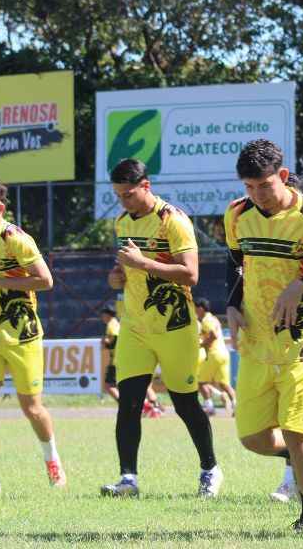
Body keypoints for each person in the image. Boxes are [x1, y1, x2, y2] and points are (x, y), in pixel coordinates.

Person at [225, 139, 303, 533]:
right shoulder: (237, 214)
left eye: (263, 185)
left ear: (281, 176)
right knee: (253, 438)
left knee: (298, 430)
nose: (256, 195)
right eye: (249, 187)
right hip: (257, 343)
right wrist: (231, 304)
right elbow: (235, 266)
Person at [100, 158, 221, 498]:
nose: (123, 201)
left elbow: (191, 274)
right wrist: (118, 275)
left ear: (146, 186)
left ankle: (210, 468)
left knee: (185, 404)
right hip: (135, 327)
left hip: (175, 326)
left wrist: (143, 263)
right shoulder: (122, 222)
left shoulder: (173, 221)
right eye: (119, 195)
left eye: (129, 194)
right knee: (129, 403)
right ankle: (128, 480)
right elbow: (124, 266)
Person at [0, 177, 65, 493]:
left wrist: (0, 282)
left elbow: (45, 281)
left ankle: (52, 460)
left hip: (23, 336)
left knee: (32, 409)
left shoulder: (17, 239)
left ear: (0, 208)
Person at [195, 298, 236, 416]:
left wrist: (202, 344)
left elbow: (214, 335)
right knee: (224, 384)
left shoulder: (206, 320)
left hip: (213, 354)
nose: (194, 311)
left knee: (201, 382)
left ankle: (210, 407)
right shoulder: (214, 318)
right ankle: (236, 406)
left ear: (201, 308)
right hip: (224, 354)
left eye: (195, 308)